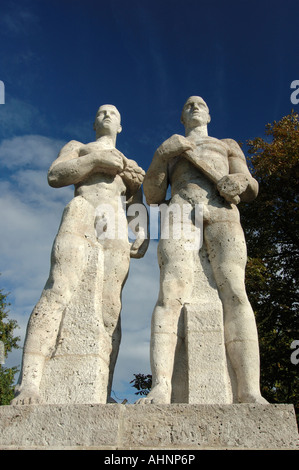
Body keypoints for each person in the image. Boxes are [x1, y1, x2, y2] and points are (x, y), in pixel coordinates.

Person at [12, 104, 148, 405]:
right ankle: (30, 382)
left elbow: (136, 200)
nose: (107, 116)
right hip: (82, 211)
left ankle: (102, 390)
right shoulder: (79, 146)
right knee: (58, 288)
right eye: (101, 113)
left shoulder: (129, 163)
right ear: (94, 122)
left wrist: (141, 231)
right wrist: (97, 159)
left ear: (121, 126)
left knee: (111, 307)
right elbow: (56, 175)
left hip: (114, 228)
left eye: (113, 113)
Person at [140, 96, 268, 405]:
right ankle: (161, 387)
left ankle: (249, 390)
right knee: (170, 293)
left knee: (236, 292)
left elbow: (251, 186)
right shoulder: (172, 146)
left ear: (209, 113)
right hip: (181, 210)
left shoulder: (226, 144)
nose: (194, 107)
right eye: (188, 105)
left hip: (222, 213)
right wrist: (160, 158)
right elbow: (154, 195)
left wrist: (239, 181)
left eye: (200, 104)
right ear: (181, 116)